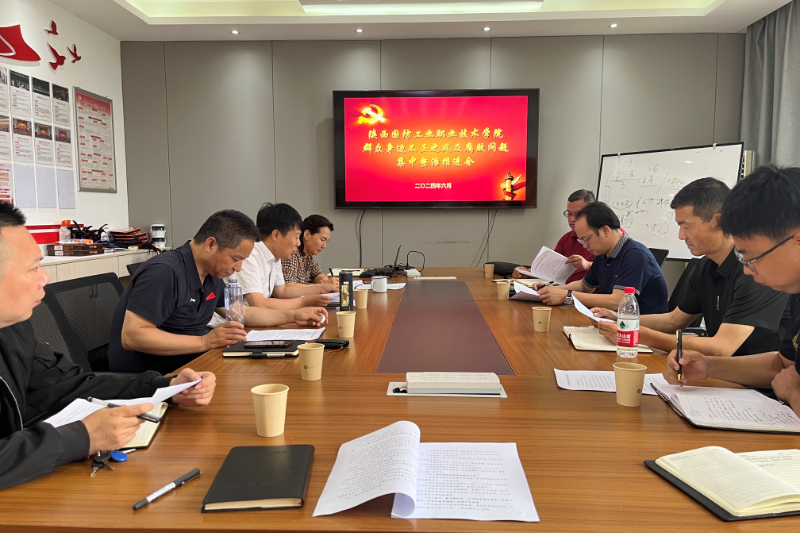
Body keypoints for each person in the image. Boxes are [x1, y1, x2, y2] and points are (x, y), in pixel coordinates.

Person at [0, 203, 217, 490]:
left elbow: (69, 384)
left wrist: (166, 387)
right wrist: (81, 437)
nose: (45, 278)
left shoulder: (13, 328)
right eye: (33, 268)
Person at [108, 209, 327, 374]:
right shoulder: (164, 272)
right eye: (235, 259)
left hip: (193, 361)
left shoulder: (212, 274)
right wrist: (205, 342)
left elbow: (243, 312)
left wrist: (293, 315)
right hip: (150, 373)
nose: (238, 268)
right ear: (211, 244)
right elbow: (132, 335)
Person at [591, 178, 787, 357]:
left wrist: (636, 334)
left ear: (719, 221)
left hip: (755, 380)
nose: (681, 236)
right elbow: (674, 321)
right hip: (719, 370)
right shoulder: (705, 267)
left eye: (686, 226)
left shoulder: (753, 269)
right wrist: (618, 319)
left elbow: (722, 347)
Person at [665, 166, 800, 415]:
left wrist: (793, 394)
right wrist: (709, 366)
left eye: (752, 257)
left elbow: (789, 381)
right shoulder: (795, 290)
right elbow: (783, 364)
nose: (747, 270)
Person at [535, 202, 668, 314]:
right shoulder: (603, 254)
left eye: (586, 239)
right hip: (616, 321)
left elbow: (619, 301)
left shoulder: (635, 255)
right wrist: (551, 290)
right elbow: (585, 286)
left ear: (605, 230)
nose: (585, 246)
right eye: (581, 241)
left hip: (642, 328)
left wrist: (567, 295)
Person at [236, 204, 338, 311]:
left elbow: (282, 291)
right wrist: (304, 302)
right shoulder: (250, 256)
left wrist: (321, 288)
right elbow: (259, 304)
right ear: (276, 235)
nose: (299, 243)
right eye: (296, 237)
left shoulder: (275, 257)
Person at [513, 189, 597, 283]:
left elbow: (608, 270)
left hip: (587, 290)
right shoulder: (566, 238)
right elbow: (551, 271)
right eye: (569, 214)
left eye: (577, 214)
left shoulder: (601, 238)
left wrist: (588, 265)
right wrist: (527, 273)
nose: (572, 219)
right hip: (564, 288)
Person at [283, 214, 336, 285]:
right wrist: (321, 287)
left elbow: (318, 274)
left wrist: (322, 279)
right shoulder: (292, 253)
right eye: (322, 239)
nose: (324, 246)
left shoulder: (308, 256)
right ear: (307, 235)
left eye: (326, 241)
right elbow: (288, 287)